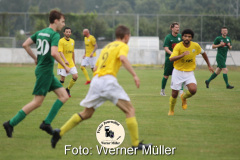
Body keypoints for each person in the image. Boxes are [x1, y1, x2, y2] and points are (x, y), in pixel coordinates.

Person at [51, 25, 152, 150]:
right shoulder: (123, 46)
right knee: (130, 110)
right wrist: (135, 75)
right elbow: (122, 58)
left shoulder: (107, 47)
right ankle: (136, 144)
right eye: (129, 36)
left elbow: (97, 66)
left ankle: (59, 132)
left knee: (86, 113)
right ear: (126, 36)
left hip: (97, 80)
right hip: (107, 81)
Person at [3, 10, 70, 137]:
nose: (63, 24)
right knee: (37, 102)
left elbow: (25, 44)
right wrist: (65, 65)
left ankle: (47, 123)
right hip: (44, 71)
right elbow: (54, 53)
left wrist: (35, 58)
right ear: (55, 21)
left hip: (45, 71)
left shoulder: (40, 32)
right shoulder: (55, 35)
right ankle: (10, 123)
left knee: (64, 96)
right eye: (62, 22)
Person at [168, 29, 214, 116]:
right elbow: (171, 59)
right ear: (182, 37)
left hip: (189, 73)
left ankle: (183, 97)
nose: (187, 38)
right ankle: (171, 110)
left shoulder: (195, 46)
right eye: (185, 36)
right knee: (174, 94)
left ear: (191, 38)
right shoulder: (178, 46)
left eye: (189, 37)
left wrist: (209, 65)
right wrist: (182, 55)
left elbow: (203, 53)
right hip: (178, 72)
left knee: (193, 90)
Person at [161, 22, 184, 96]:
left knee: (180, 75)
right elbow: (166, 48)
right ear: (172, 28)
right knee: (166, 75)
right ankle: (162, 91)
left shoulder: (180, 37)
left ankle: (181, 90)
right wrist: (173, 54)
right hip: (169, 59)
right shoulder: (168, 37)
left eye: (178, 27)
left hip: (178, 59)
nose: (178, 29)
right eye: (176, 27)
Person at [57, 27, 78, 97]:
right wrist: (65, 60)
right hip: (62, 63)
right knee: (63, 78)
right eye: (67, 32)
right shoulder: (61, 41)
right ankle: (61, 93)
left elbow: (72, 52)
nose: (68, 33)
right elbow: (60, 52)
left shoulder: (72, 41)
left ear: (70, 33)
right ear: (64, 33)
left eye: (69, 32)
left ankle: (67, 89)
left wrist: (74, 63)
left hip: (71, 63)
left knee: (75, 76)